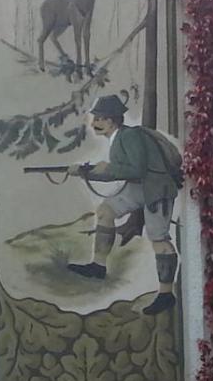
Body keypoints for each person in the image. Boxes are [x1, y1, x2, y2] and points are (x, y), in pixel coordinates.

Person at [67, 94, 182, 316]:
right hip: (139, 186)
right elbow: (124, 171)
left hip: (156, 188)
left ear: (111, 120)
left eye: (99, 118)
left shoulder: (129, 136)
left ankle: (166, 294)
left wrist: (101, 170)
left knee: (159, 239)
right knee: (105, 211)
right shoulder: (119, 137)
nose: (94, 123)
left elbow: (136, 169)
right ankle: (98, 266)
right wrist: (88, 171)